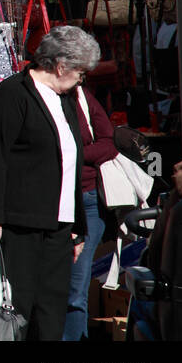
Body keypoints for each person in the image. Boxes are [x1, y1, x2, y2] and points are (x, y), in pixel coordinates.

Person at [0, 24, 96, 341]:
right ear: (61, 66)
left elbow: (72, 162)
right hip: (19, 225)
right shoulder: (12, 94)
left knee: (50, 316)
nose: (82, 79)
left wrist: (76, 226)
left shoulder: (65, 98)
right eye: (81, 71)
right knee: (18, 314)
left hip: (58, 227)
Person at [65, 84, 117, 340]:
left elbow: (111, 142)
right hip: (50, 202)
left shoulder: (82, 95)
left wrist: (71, 156)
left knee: (76, 289)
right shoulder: (32, 96)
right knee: (57, 288)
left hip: (87, 201)